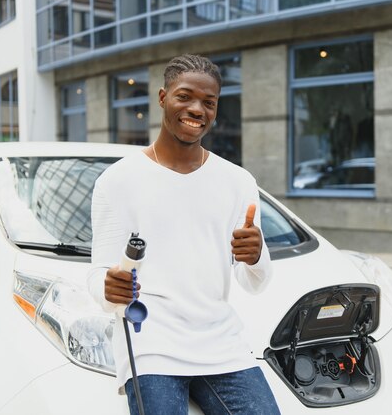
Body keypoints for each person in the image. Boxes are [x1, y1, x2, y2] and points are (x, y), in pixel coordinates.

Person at [87, 54, 280, 415]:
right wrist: (107, 287)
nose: (197, 109)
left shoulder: (238, 182)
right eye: (185, 97)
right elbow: (101, 274)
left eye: (209, 103)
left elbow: (255, 283)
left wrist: (255, 256)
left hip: (222, 345)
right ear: (162, 98)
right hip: (151, 346)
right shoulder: (117, 180)